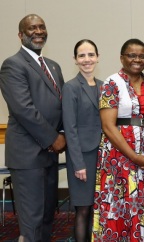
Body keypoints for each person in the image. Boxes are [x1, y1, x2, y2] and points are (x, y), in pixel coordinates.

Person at [91, 38, 144, 241]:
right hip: (120, 157)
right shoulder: (111, 83)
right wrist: (134, 156)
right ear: (121, 58)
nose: (137, 59)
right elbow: (108, 126)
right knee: (121, 205)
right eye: (132, 55)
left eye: (142, 56)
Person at [0, 14, 65, 241]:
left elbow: (62, 104)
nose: (38, 31)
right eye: (31, 28)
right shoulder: (12, 65)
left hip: (49, 156)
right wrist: (53, 139)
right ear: (20, 35)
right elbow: (23, 110)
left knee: (48, 217)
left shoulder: (53, 66)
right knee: (32, 222)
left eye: (41, 27)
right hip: (28, 156)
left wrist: (64, 134)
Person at [62, 39, 102, 242]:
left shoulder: (104, 86)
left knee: (100, 210)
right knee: (83, 210)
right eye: (82, 55)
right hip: (82, 159)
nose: (87, 59)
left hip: (103, 158)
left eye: (91, 55)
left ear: (98, 57)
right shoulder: (70, 88)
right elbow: (70, 129)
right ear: (75, 60)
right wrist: (78, 164)